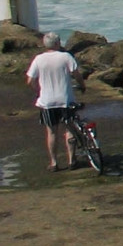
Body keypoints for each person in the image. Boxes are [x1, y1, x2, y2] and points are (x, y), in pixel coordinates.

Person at [26, 32, 85, 171]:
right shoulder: (65, 57)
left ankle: (53, 163)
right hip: (65, 100)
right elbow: (76, 74)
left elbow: (30, 81)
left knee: (51, 132)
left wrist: (38, 92)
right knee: (70, 129)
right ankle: (71, 160)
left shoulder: (39, 59)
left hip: (47, 102)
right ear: (58, 43)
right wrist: (82, 85)